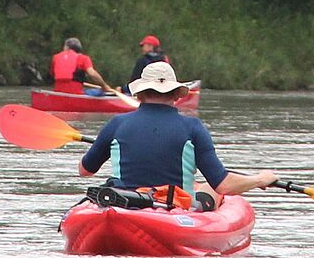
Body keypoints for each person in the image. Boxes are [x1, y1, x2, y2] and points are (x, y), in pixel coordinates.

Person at [79, 61, 280, 209]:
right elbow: (224, 184)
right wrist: (259, 179)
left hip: (124, 203)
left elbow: (85, 170)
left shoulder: (117, 124)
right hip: (173, 208)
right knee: (210, 189)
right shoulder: (192, 127)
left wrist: (105, 145)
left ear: (139, 94)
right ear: (176, 94)